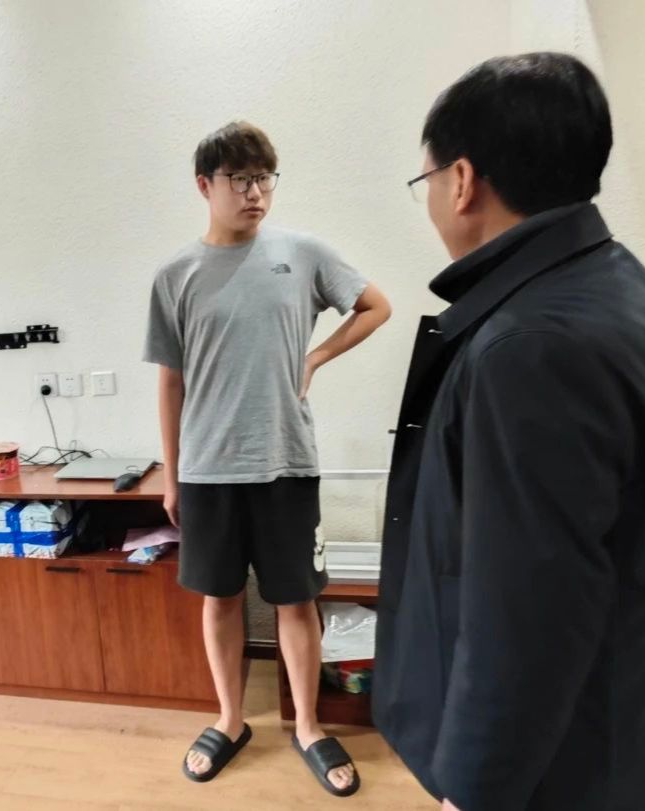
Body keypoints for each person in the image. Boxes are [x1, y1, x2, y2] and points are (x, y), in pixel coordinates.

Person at [374, 52, 645, 811]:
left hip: (573, 770)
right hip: (636, 730)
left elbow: (526, 614)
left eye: (427, 180)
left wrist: (473, 791)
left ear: (463, 181)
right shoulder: (623, 286)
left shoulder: (529, 346)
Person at [143, 121, 391, 796]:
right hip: (207, 469)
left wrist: (316, 355)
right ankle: (230, 719)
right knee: (219, 598)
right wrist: (172, 473)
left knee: (296, 599)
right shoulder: (175, 275)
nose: (255, 193)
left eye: (264, 179)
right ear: (206, 186)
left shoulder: (302, 254)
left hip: (287, 463)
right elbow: (170, 382)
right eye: (240, 180)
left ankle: (308, 724)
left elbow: (375, 306)